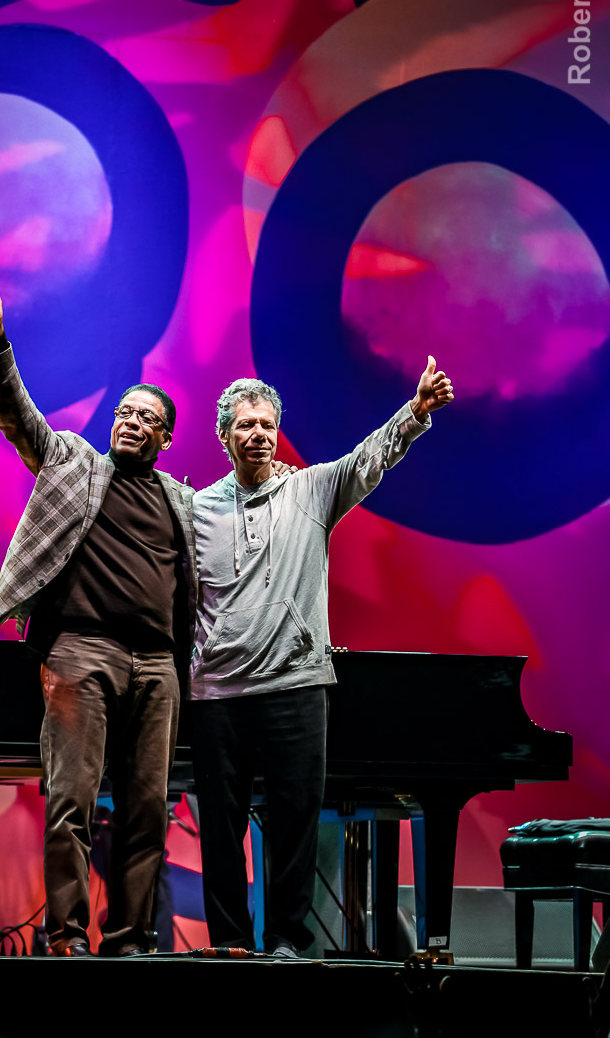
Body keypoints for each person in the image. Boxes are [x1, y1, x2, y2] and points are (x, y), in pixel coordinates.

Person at [0, 274, 197, 958]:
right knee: (71, 803)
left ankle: (127, 938)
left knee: (149, 812)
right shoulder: (72, 463)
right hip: (80, 653)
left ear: (166, 438)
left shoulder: (182, 502)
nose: (130, 420)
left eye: (146, 418)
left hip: (155, 666)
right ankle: (65, 938)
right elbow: (17, 416)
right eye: (125, 411)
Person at [189, 358, 454, 957]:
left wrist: (414, 414)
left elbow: (368, 459)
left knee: (295, 824)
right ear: (224, 435)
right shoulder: (197, 509)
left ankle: (286, 939)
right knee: (222, 831)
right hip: (217, 692)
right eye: (245, 425)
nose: (257, 434)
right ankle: (230, 940)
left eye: (267, 424)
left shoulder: (312, 490)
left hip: (296, 685)